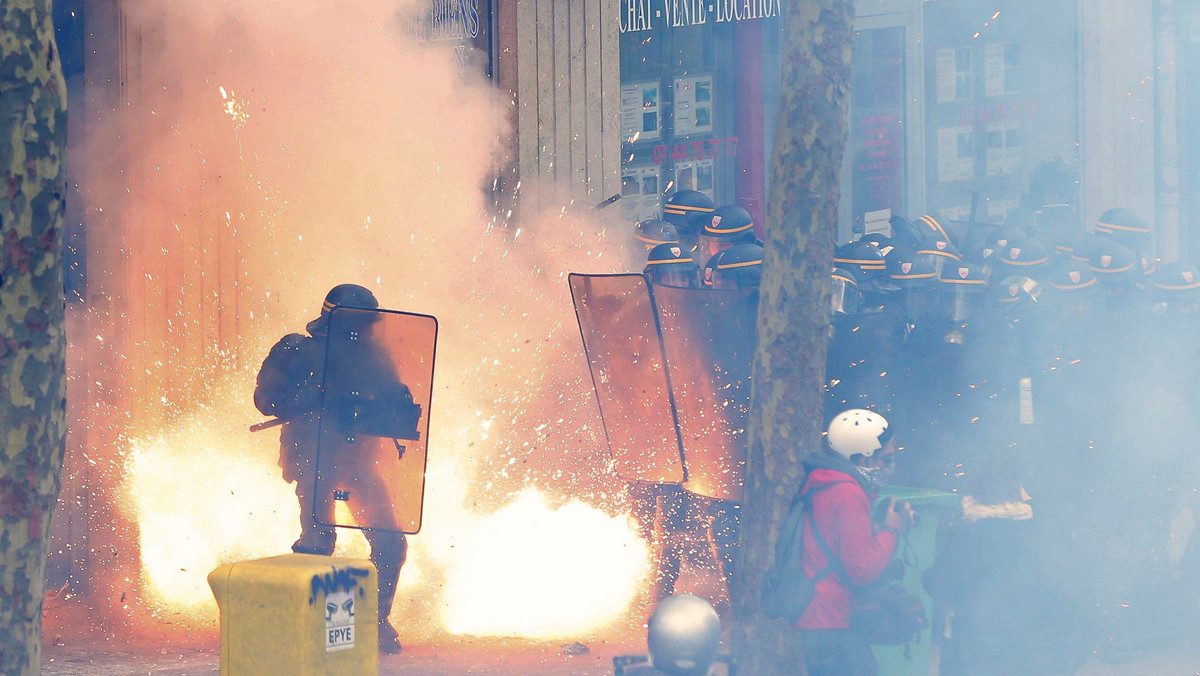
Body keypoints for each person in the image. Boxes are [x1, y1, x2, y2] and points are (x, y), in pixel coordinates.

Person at [253, 283, 411, 654]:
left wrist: (400, 405)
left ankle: (371, 622)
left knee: (390, 544)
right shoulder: (295, 352)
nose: (362, 334)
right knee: (317, 545)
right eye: (357, 325)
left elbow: (390, 406)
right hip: (314, 461)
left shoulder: (374, 359)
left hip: (358, 465)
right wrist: (300, 397)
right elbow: (264, 398)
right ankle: (304, 627)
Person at [796, 409, 913, 676]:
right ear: (863, 458)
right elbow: (860, 570)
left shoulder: (824, 482)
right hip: (831, 617)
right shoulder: (847, 493)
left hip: (819, 613)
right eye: (887, 459)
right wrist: (891, 531)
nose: (890, 465)